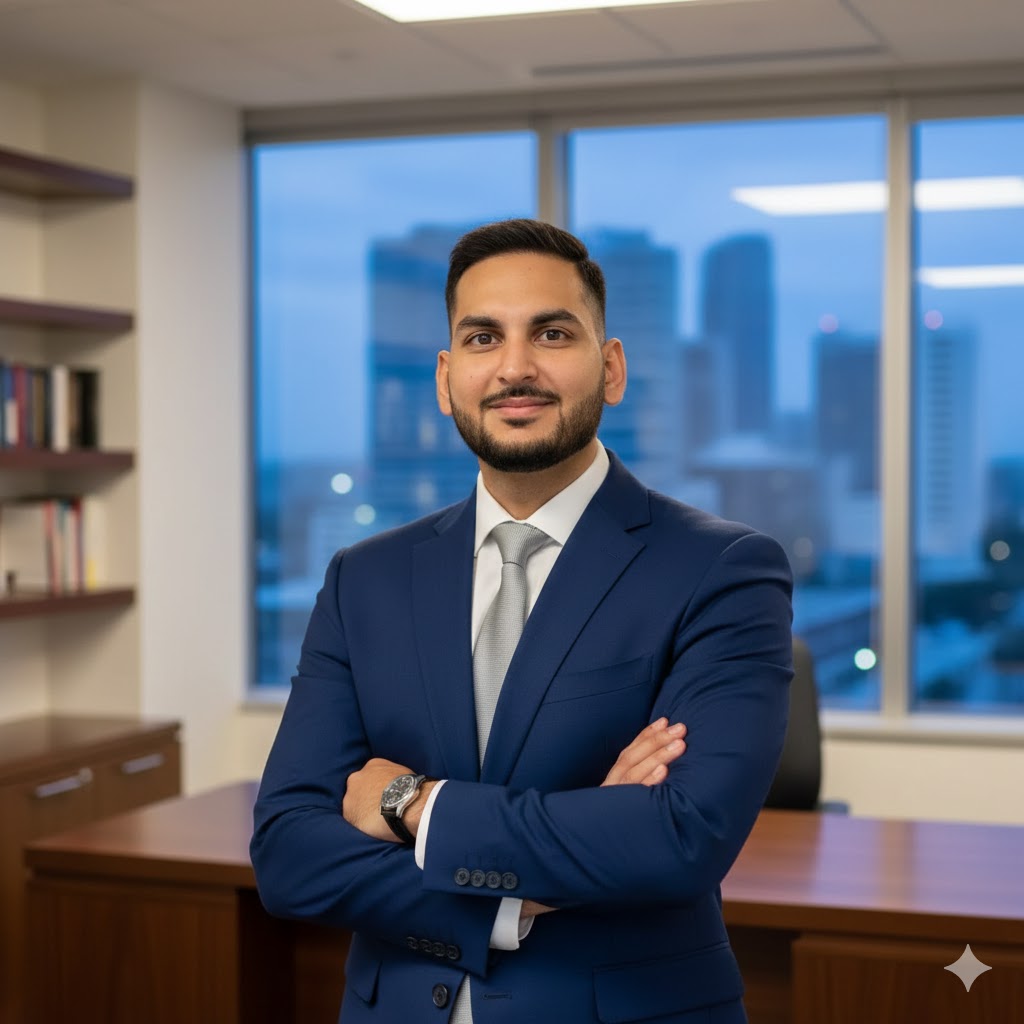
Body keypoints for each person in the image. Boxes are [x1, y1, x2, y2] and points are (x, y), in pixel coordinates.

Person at [251, 218, 793, 1023]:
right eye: (481, 337)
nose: (515, 367)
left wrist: (410, 805)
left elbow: (678, 839)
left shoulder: (722, 569)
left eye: (551, 332)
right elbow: (290, 853)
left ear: (610, 368)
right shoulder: (363, 579)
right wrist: (511, 900)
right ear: (445, 379)